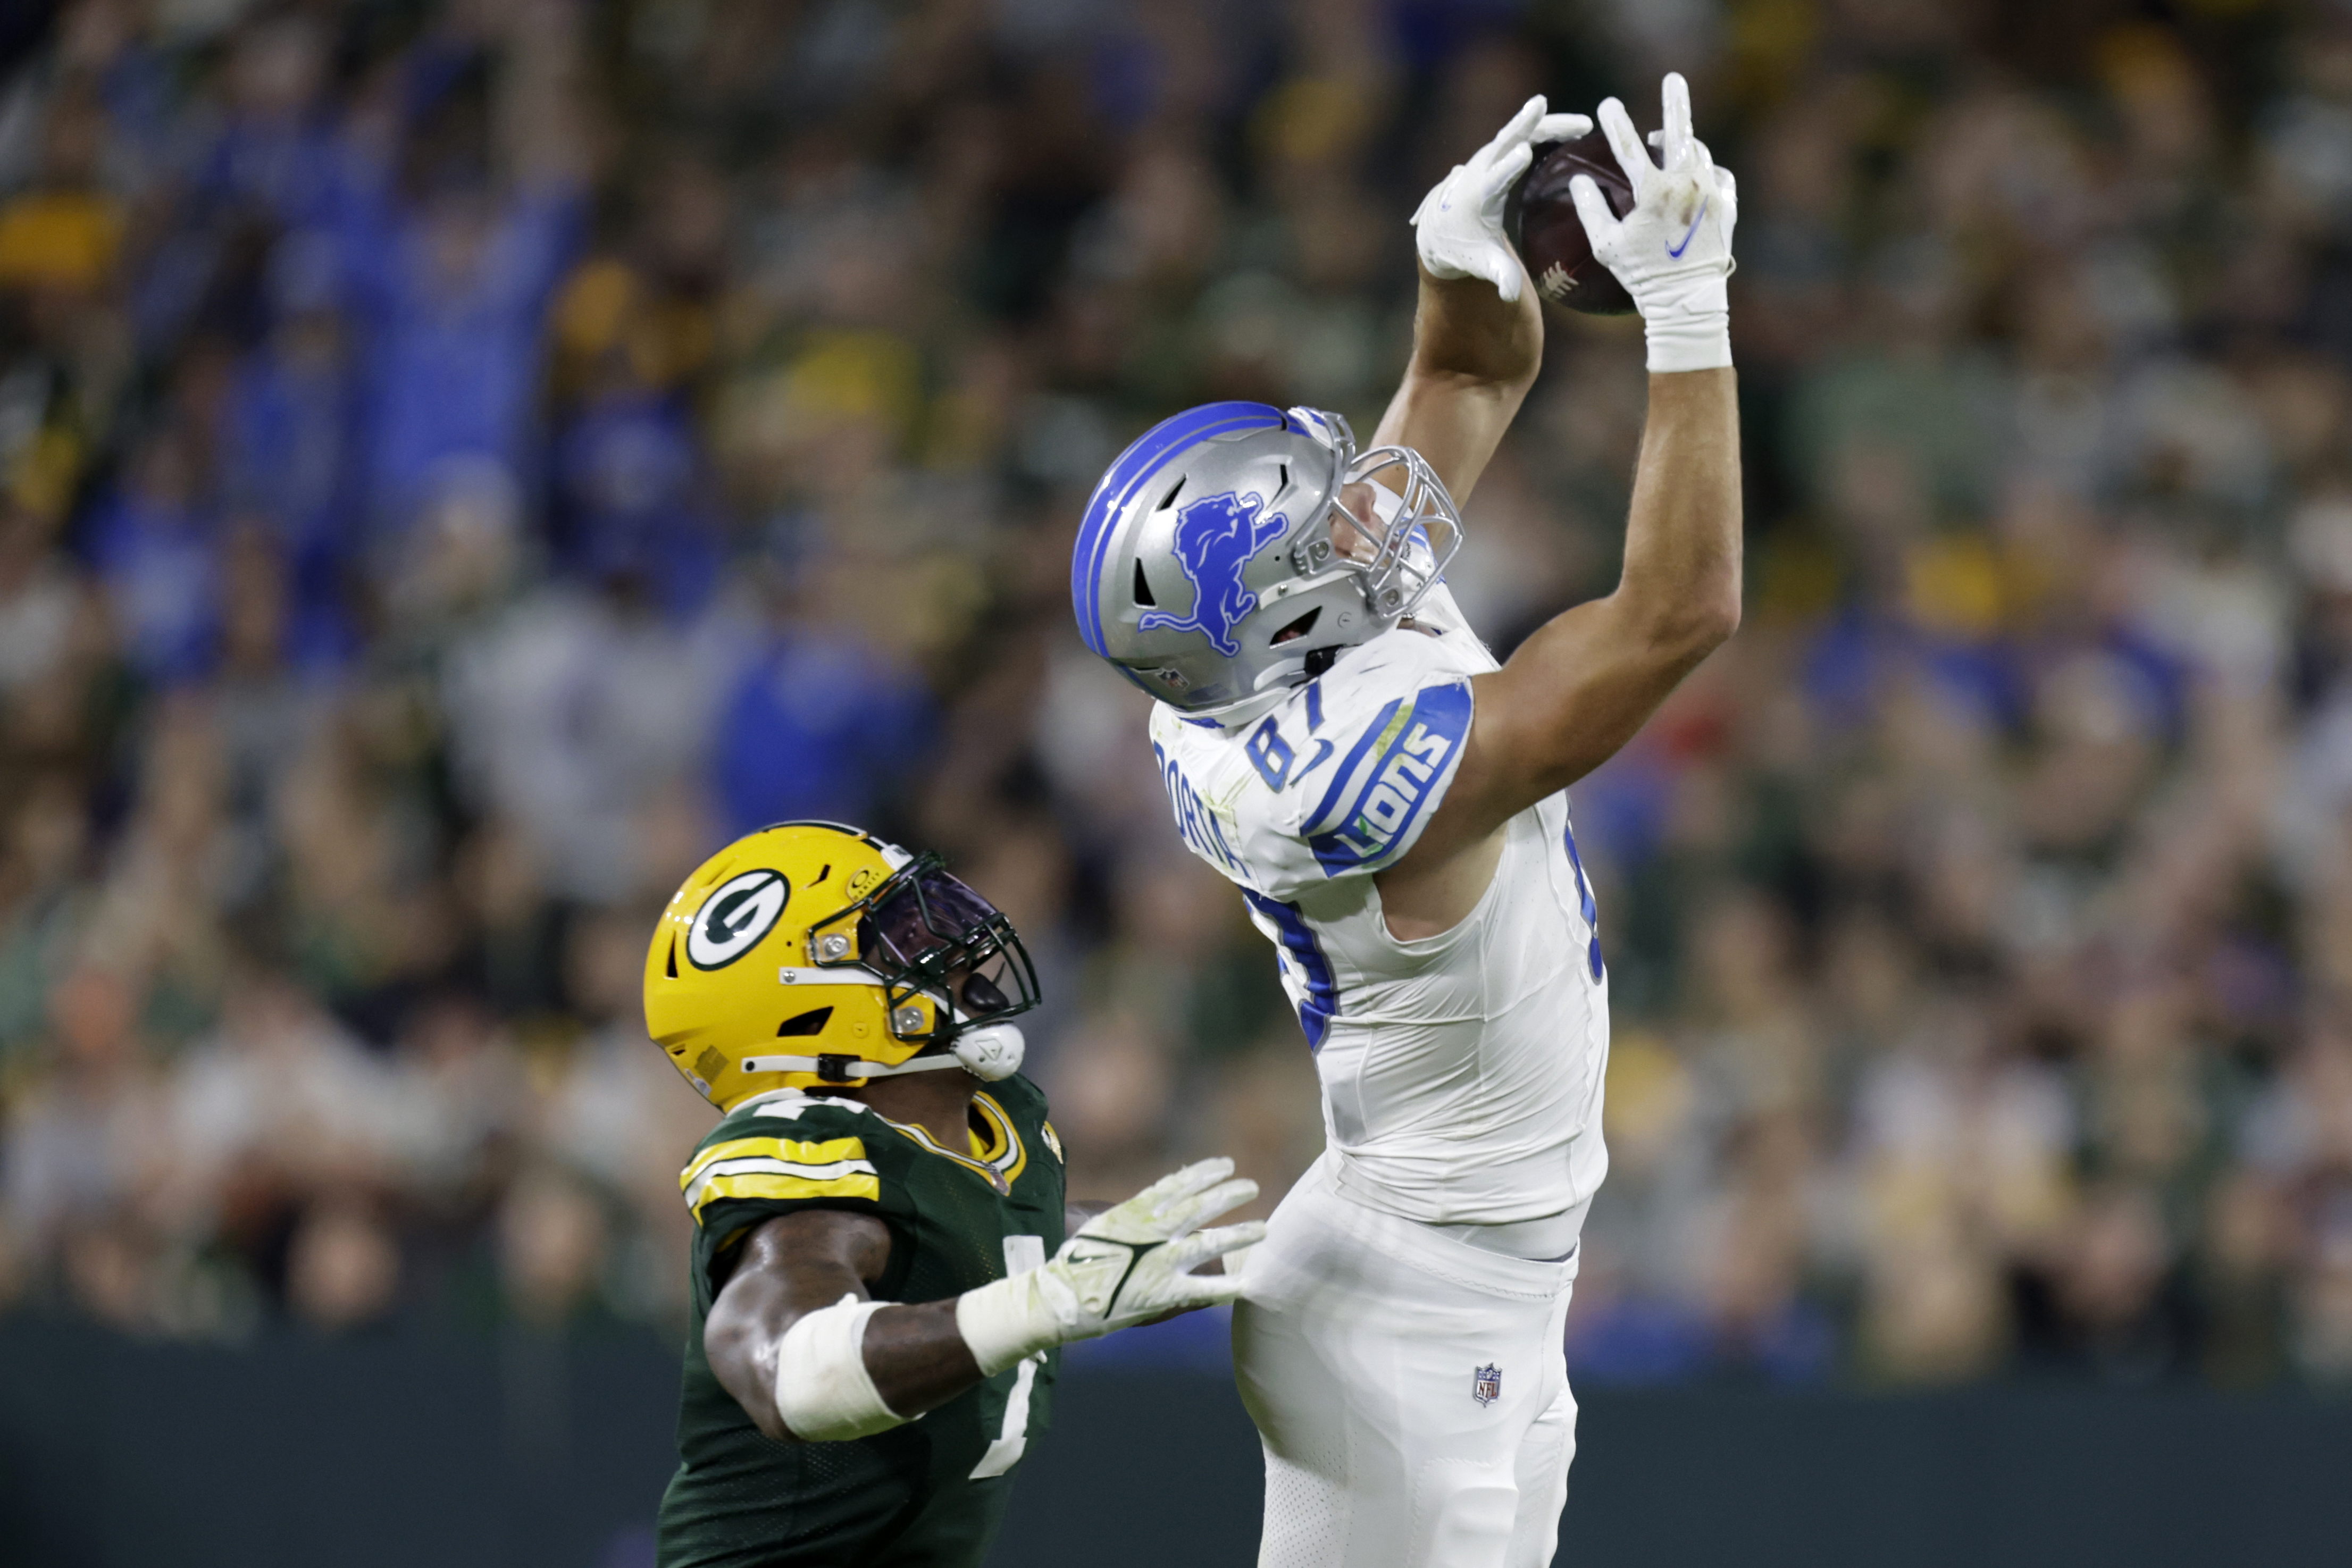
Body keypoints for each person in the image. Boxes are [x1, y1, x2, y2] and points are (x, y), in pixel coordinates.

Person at [1067, 77, 1742, 1568]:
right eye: (1309, 523)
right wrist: (1690, 313)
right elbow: (1678, 612)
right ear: (1276, 610)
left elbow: (1469, 386)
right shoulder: (1342, 762)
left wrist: (1453, 258)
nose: (1350, 505)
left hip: (1471, 1275)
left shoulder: (1259, 648)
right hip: (1410, 1305)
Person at [645, 820, 1263, 1567]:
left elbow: (997, 1247)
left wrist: (1266, 1250)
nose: (955, 939)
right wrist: (1049, 1301)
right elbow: (791, 1372)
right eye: (901, 930)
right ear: (806, 1003)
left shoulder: (999, 1127)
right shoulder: (811, 1158)